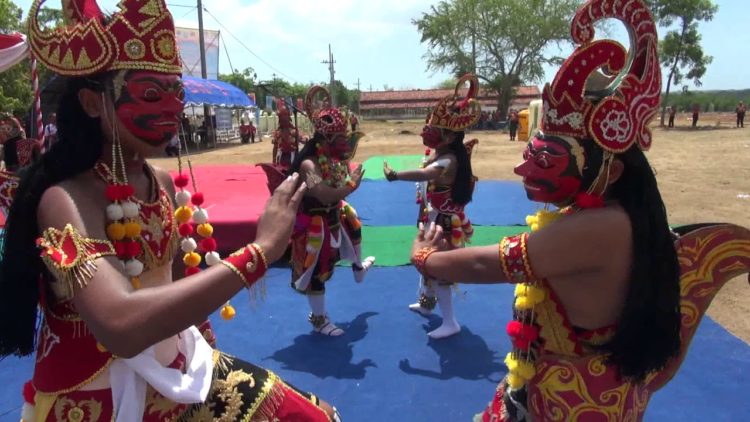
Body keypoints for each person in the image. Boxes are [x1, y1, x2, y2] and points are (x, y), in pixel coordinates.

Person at [409, 0, 750, 419]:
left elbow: (489, 265)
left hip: (576, 403)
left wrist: (426, 259)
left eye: (545, 159)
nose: (522, 168)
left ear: (610, 166)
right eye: (530, 154)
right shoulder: (612, 216)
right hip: (567, 387)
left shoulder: (599, 227)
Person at [0, 1, 339, 420]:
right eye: (151, 94)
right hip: (97, 395)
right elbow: (121, 328)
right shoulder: (65, 200)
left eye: (176, 91)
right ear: (92, 104)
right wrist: (259, 252)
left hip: (177, 368)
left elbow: (178, 279)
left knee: (315, 414)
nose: (173, 107)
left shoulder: (159, 182)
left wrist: (206, 353)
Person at [383, 73, 480, 339]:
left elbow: (425, 176)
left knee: (440, 269)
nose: (428, 131)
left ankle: (450, 321)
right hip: (433, 218)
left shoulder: (448, 160)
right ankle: (427, 305)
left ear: (448, 137)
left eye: (435, 129)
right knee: (426, 263)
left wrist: (397, 175)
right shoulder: (440, 153)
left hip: (444, 223)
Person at [287, 85, 375, 336]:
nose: (346, 144)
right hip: (314, 223)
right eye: (341, 139)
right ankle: (319, 321)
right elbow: (323, 193)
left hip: (333, 215)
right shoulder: (308, 164)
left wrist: (346, 187)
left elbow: (335, 191)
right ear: (325, 140)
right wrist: (350, 186)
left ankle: (358, 267)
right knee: (317, 270)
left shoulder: (334, 160)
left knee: (354, 222)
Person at [272, 99, 300, 168]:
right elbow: (275, 147)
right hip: (281, 159)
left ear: (289, 116)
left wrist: (304, 140)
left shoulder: (294, 131)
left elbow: (301, 140)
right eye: (282, 115)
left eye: (285, 115)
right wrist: (274, 161)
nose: (284, 117)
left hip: (293, 159)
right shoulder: (278, 132)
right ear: (279, 118)